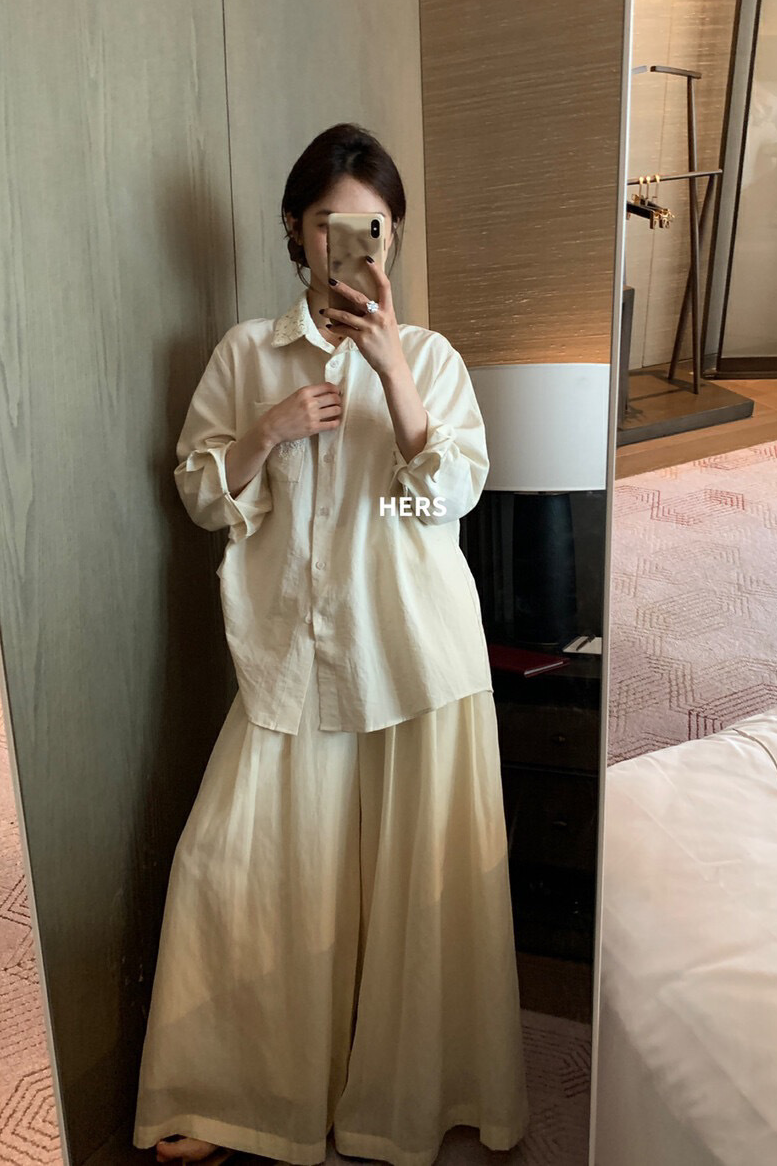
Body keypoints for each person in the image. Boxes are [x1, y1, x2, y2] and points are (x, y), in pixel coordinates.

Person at [132, 123, 529, 1166]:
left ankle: (415, 1099)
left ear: (391, 238)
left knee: (418, 893)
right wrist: (265, 432)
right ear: (295, 231)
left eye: (373, 227)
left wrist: (391, 369)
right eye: (328, 224)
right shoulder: (245, 354)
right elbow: (202, 496)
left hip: (415, 656)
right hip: (290, 658)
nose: (350, 244)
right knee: (235, 866)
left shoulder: (430, 357)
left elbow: (448, 496)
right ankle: (234, 1098)